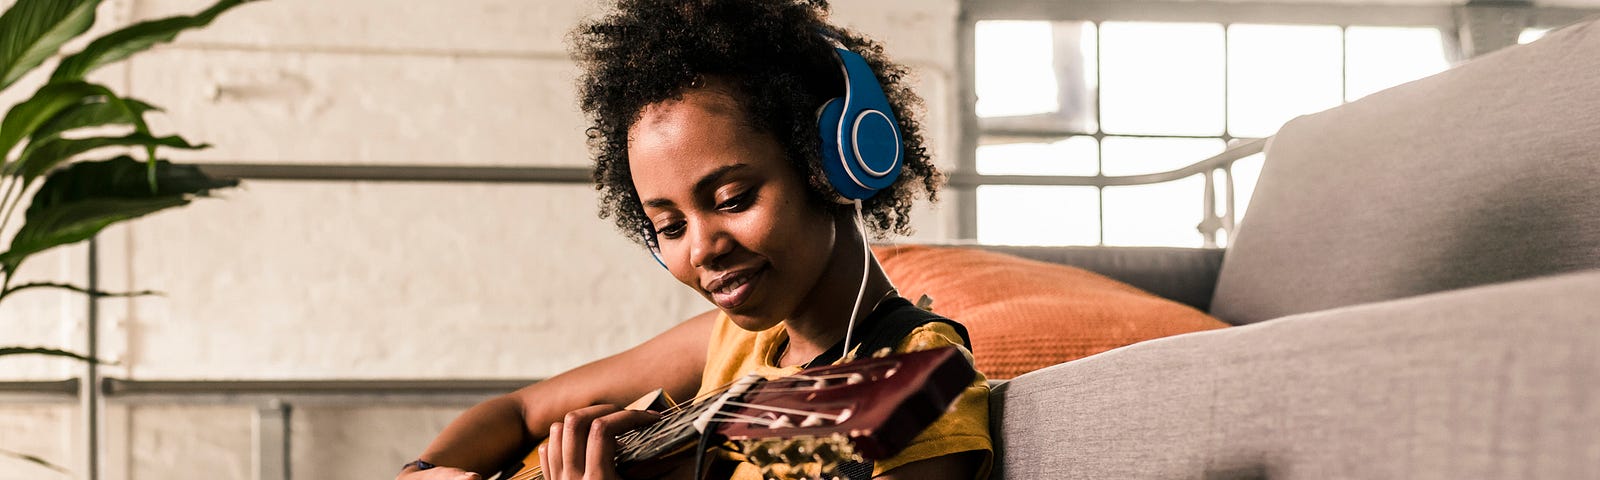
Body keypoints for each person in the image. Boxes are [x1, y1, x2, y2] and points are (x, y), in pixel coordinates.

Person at [397, 0, 989, 478]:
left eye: (732, 200)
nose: (702, 250)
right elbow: (520, 411)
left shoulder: (922, 377)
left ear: (833, 166)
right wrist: (422, 471)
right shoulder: (731, 341)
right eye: (669, 227)